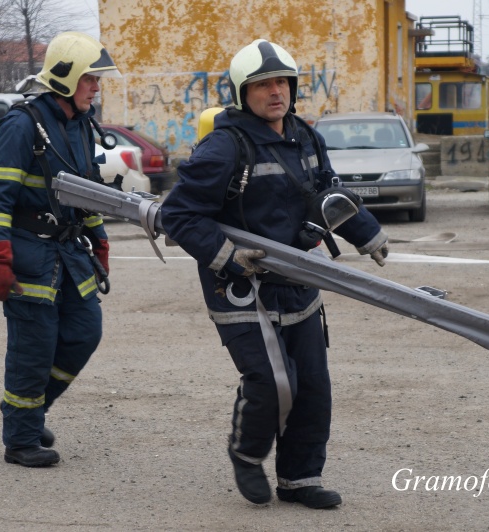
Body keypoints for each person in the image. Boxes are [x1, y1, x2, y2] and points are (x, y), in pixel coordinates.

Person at [161, 39, 389, 508]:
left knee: (312, 383)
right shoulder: (224, 147)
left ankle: (300, 479)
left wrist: (366, 233)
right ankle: (247, 453)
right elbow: (179, 216)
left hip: (298, 280)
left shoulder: (305, 135)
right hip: (240, 285)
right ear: (243, 93)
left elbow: (328, 192)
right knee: (270, 381)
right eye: (263, 84)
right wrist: (226, 255)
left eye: (282, 82)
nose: (275, 92)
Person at [0, 31, 120, 467]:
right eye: (90, 78)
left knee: (84, 332)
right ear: (65, 76)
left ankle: (31, 411)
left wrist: (99, 239)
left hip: (68, 254)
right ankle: (20, 440)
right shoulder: (20, 125)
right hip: (28, 257)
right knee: (33, 348)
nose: (96, 86)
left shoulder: (78, 126)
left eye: (97, 79)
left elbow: (85, 192)